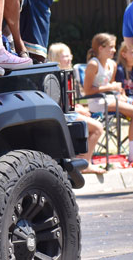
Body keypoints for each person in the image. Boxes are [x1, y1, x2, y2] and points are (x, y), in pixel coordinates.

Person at [48, 42, 106, 174]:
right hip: (62, 114)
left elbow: (68, 100)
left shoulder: (67, 73)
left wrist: (78, 106)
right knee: (97, 128)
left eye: (70, 55)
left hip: (68, 112)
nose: (70, 58)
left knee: (92, 123)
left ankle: (80, 160)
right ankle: (86, 163)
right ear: (56, 57)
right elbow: (57, 103)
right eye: (66, 56)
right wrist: (77, 110)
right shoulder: (54, 77)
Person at [82, 32, 133, 164]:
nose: (114, 50)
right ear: (101, 48)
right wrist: (110, 88)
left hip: (110, 100)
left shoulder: (112, 65)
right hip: (97, 102)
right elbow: (87, 91)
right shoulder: (93, 65)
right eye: (111, 47)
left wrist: (121, 95)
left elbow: (114, 87)